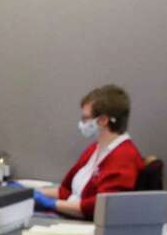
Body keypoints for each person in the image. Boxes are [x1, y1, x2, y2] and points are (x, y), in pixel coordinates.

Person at [35, 84, 143, 218]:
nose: (81, 123)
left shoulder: (124, 157)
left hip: (87, 225)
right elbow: (67, 191)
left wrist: (52, 204)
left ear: (103, 120)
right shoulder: (96, 149)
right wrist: (29, 192)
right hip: (71, 216)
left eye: (86, 118)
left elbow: (100, 206)